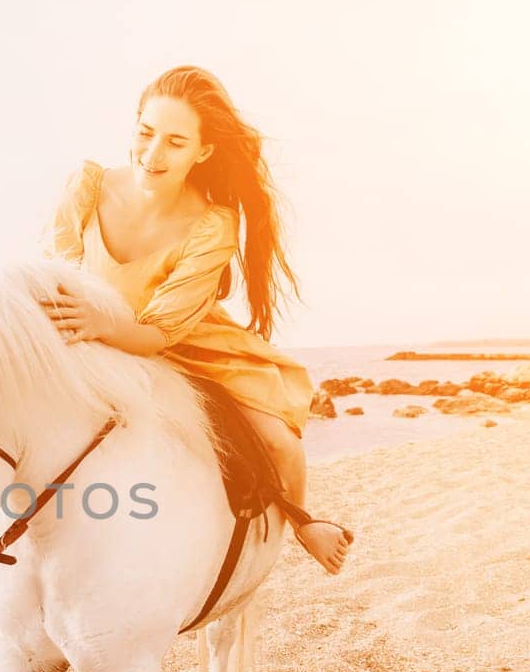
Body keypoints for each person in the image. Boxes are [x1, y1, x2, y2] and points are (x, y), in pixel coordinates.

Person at [39, 64, 353, 574]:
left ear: (203, 151)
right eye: (145, 133)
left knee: (278, 440)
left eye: (175, 143)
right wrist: (83, 324)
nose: (152, 154)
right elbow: (57, 272)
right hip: (88, 329)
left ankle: (304, 522)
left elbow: (160, 331)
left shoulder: (212, 225)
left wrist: (102, 324)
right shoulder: (87, 186)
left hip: (179, 339)